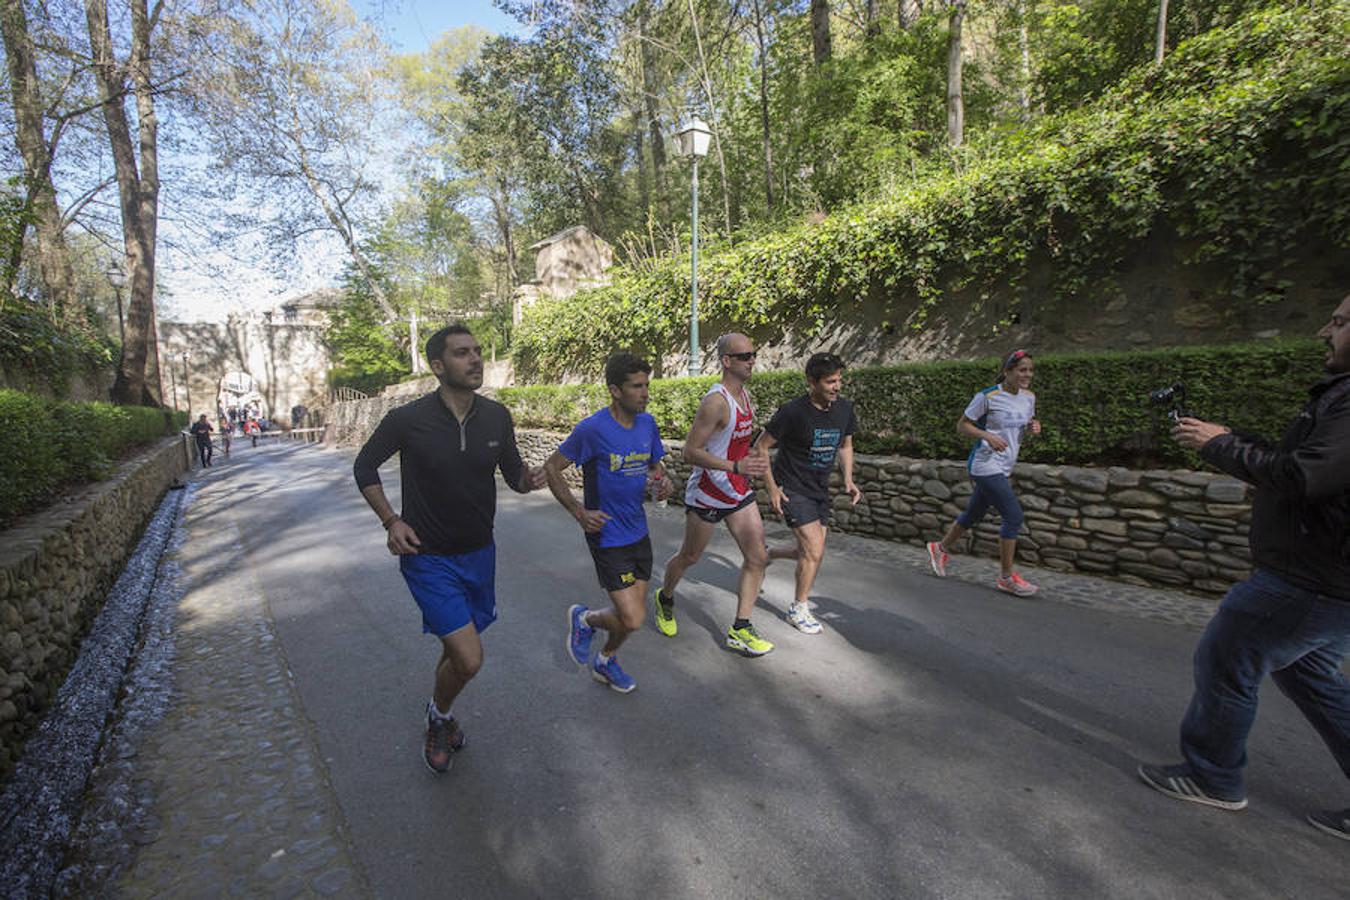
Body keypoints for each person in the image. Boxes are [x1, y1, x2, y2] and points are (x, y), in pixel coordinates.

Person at [1138, 295, 1350, 840]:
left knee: (1227, 655)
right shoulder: (1339, 396)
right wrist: (1229, 440)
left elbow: (1306, 479)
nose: (1325, 331)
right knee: (1311, 676)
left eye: (1341, 321)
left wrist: (1225, 448)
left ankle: (1212, 776)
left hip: (1311, 578)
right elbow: (1302, 466)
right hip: (1328, 576)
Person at [354, 323, 547, 774]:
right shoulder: (408, 420)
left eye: (478, 351)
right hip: (427, 557)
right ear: (438, 366)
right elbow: (364, 466)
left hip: (481, 554)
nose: (476, 359)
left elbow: (514, 474)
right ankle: (438, 719)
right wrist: (391, 520)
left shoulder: (497, 416)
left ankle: (439, 710)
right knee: (469, 656)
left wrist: (529, 480)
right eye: (463, 353)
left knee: (457, 648)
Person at [545, 353, 672, 693]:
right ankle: (584, 619)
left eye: (647, 385)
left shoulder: (648, 425)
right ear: (615, 390)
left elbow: (655, 468)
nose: (645, 393)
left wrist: (663, 481)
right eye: (637, 386)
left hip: (639, 531)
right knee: (633, 618)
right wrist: (578, 511)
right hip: (607, 534)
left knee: (631, 619)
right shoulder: (592, 429)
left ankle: (605, 660)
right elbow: (552, 467)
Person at [651, 332, 775, 656]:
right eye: (745, 355)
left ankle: (741, 627)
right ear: (726, 361)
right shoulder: (715, 402)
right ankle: (664, 597)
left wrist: (751, 466)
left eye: (753, 353)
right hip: (707, 493)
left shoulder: (745, 397)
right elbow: (690, 452)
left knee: (757, 556)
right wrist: (734, 466)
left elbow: (737, 444)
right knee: (690, 557)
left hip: (738, 491)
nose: (752, 360)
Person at [754, 352, 862, 634]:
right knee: (814, 550)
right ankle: (798, 609)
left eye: (839, 380)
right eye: (830, 382)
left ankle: (769, 554)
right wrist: (772, 488)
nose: (837, 387)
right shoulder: (793, 412)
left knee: (809, 552)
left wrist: (848, 479)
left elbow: (846, 445)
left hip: (819, 488)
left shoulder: (844, 409)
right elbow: (761, 446)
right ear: (812, 383)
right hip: (792, 486)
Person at [925, 349, 1042, 596]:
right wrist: (987, 435)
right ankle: (1006, 577)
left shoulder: (1029, 397)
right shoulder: (988, 396)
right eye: (1022, 370)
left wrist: (1033, 427)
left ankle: (940, 548)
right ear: (1007, 371)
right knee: (1013, 517)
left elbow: (1024, 425)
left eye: (1030, 370)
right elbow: (962, 425)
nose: (1027, 374)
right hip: (984, 464)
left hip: (1005, 464)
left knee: (973, 513)